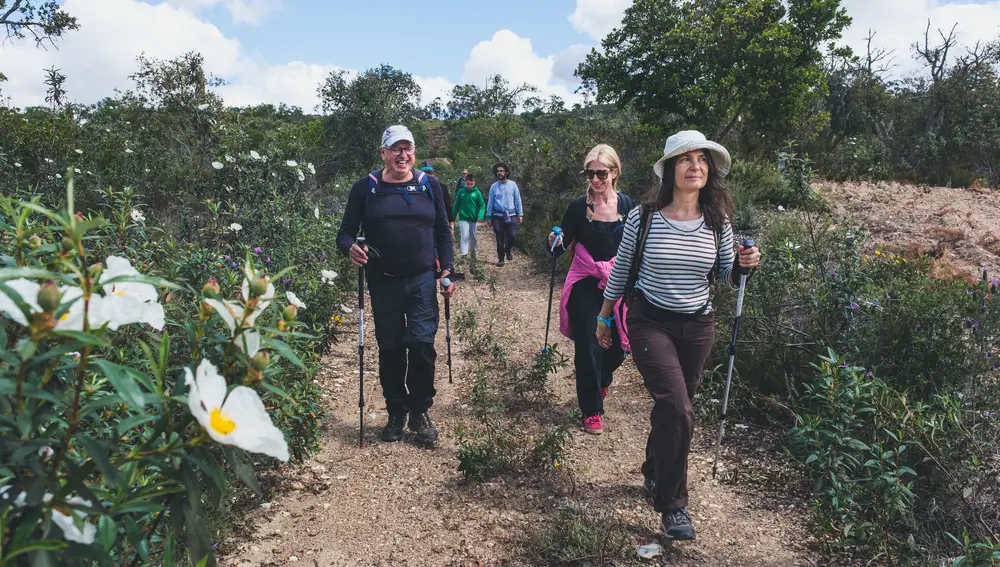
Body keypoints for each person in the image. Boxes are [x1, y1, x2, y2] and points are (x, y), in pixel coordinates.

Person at [597, 130, 761, 541]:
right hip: (649, 321)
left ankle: (654, 469)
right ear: (670, 169)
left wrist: (744, 265)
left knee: (676, 409)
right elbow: (620, 271)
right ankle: (673, 506)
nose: (695, 166)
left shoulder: (717, 220)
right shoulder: (645, 216)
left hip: (697, 326)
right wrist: (603, 318)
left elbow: (726, 274)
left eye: (702, 159)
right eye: (686, 159)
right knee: (678, 407)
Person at [336, 126, 456, 447]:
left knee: (421, 346)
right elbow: (345, 233)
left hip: (420, 279)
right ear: (384, 152)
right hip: (383, 280)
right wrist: (351, 248)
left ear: (414, 152)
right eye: (396, 149)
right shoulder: (366, 188)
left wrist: (448, 271)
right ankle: (395, 412)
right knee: (390, 349)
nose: (403, 155)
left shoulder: (429, 185)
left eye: (408, 149)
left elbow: (443, 234)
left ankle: (419, 410)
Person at [546, 144, 635, 435]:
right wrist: (554, 240)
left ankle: (603, 379)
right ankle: (592, 410)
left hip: (617, 285)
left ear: (614, 172)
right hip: (585, 285)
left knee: (618, 349)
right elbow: (559, 247)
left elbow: (636, 249)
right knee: (589, 345)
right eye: (589, 173)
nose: (595, 180)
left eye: (601, 173)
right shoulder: (577, 208)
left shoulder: (627, 206)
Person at [485, 163, 523, 266]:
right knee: (499, 237)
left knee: (512, 234)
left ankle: (508, 250)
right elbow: (490, 202)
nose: (499, 173)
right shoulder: (494, 187)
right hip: (498, 216)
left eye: (501, 171)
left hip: (511, 214)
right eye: (498, 171)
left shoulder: (513, 185)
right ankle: (501, 259)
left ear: (506, 172)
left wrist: (520, 214)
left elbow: (517, 200)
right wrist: (489, 216)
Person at [452, 173, 486, 257]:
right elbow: (456, 205)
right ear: (465, 183)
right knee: (464, 236)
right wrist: (452, 218)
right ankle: (464, 254)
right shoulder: (461, 191)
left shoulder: (477, 193)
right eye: (468, 184)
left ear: (474, 183)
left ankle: (473, 253)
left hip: (473, 218)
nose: (470, 186)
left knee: (473, 237)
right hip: (463, 217)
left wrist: (480, 216)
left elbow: (482, 205)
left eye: (471, 184)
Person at [420, 160, 455, 229]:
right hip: (423, 225)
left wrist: (451, 224)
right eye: (425, 173)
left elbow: (448, 205)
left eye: (429, 173)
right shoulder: (416, 188)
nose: (428, 175)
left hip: (440, 223)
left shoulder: (442, 187)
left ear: (433, 173)